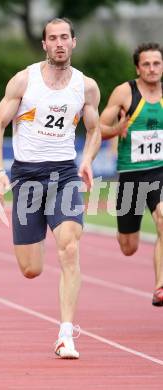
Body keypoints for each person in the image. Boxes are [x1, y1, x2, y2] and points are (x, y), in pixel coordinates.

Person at [0, 17, 101, 359]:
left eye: (64, 37)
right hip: (26, 176)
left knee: (69, 248)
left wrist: (87, 159)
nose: (59, 43)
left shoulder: (86, 86)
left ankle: (66, 334)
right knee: (31, 269)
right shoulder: (25, 80)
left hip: (65, 175)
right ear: (44, 45)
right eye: (52, 38)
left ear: (74, 42)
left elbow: (94, 128)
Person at [100, 42, 163, 307]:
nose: (152, 68)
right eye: (146, 64)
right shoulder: (125, 93)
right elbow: (100, 128)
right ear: (138, 68)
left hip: (159, 171)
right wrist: (118, 128)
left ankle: (161, 286)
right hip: (131, 177)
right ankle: (125, 233)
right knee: (129, 247)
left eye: (157, 63)